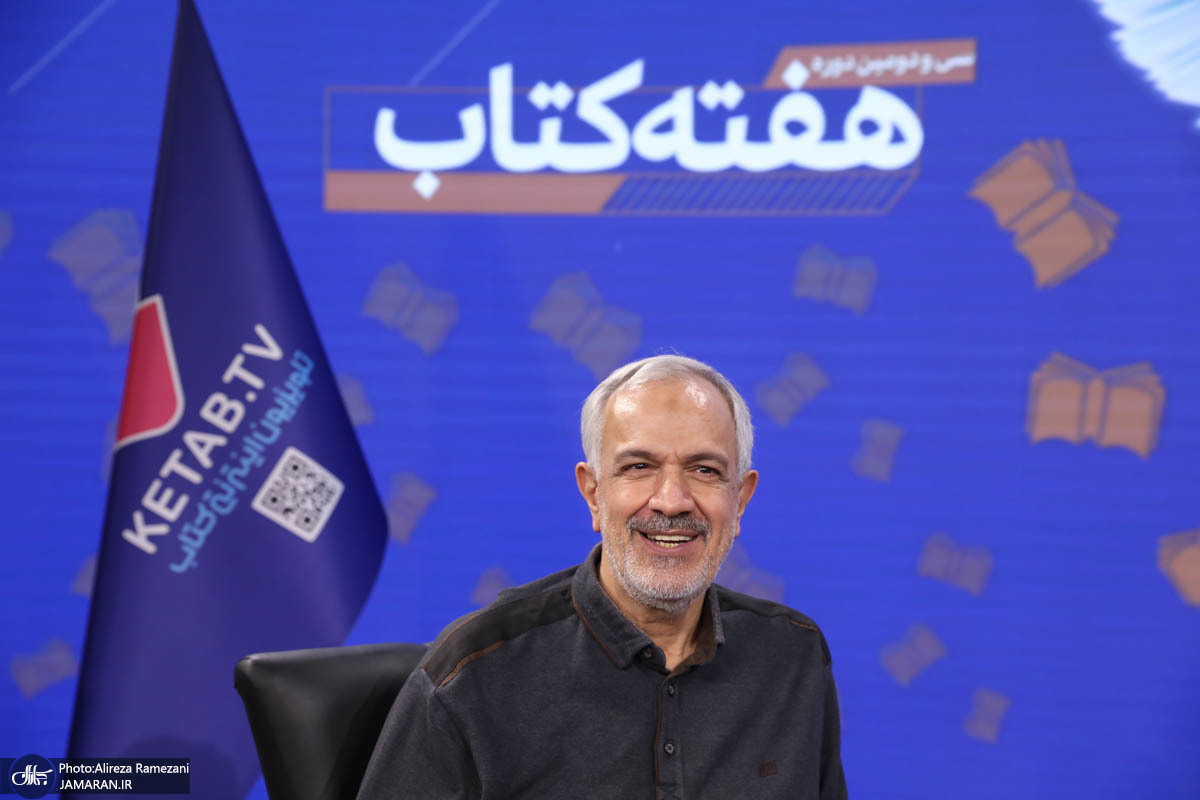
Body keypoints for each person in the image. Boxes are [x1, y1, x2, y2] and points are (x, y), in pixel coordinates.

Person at [357, 355, 847, 799]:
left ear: (740, 501)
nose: (671, 501)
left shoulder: (794, 655)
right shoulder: (470, 676)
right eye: (639, 466)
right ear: (593, 493)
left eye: (704, 470)